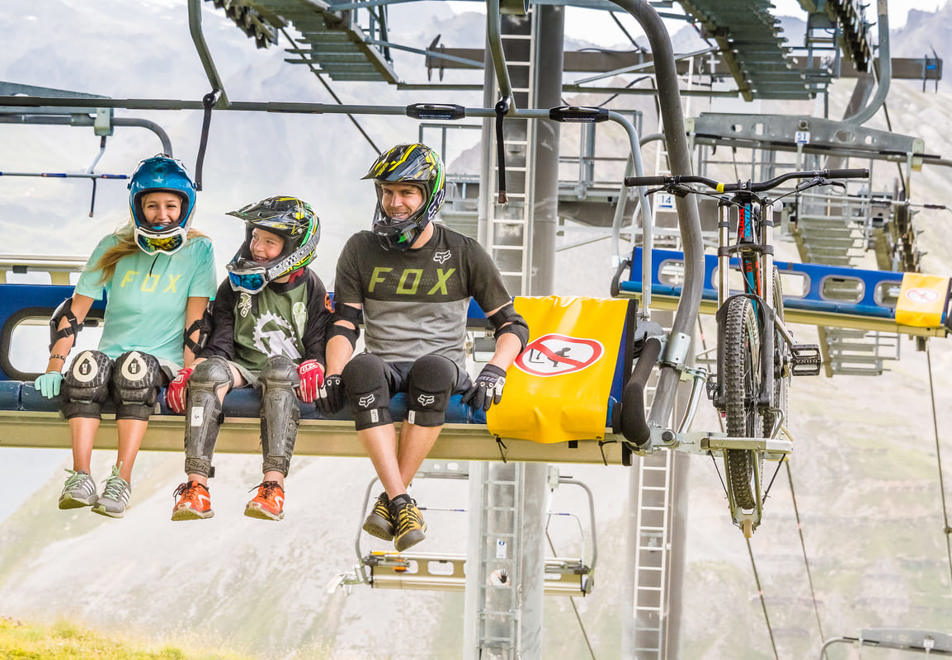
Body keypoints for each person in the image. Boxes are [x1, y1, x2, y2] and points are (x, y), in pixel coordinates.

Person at [318, 143, 529, 551]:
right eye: (387, 192)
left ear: (430, 195)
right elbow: (344, 323)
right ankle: (400, 502)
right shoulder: (360, 248)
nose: (394, 203)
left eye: (407, 193)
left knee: (432, 368)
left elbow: (512, 325)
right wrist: (332, 373)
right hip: (385, 366)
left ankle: (391, 500)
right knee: (360, 368)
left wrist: (496, 369)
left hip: (440, 367)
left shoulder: (464, 252)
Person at [34, 155, 217, 518]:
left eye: (170, 205)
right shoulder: (113, 246)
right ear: (139, 207)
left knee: (136, 369)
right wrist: (56, 365)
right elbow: (75, 310)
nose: (161, 214)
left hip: (159, 361)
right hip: (111, 356)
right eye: (152, 205)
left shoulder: (199, 250)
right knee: (86, 366)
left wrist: (188, 372)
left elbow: (196, 322)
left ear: (184, 207)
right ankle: (81, 477)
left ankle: (121, 478)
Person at [167, 196, 330, 522]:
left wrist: (315, 362)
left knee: (279, 370)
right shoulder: (234, 285)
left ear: (295, 248)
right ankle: (195, 486)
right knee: (209, 375)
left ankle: (273, 486)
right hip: (240, 365)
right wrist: (193, 370)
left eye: (269, 241)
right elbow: (222, 342)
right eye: (255, 237)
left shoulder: (311, 287)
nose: (257, 247)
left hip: (285, 368)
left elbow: (317, 338)